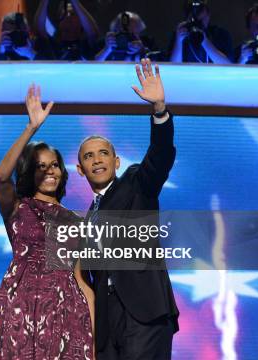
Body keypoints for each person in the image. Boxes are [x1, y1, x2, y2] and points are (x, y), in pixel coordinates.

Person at [77, 59, 179, 359]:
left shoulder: (136, 184)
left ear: (116, 161)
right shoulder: (87, 217)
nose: (97, 160)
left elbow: (159, 157)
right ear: (80, 168)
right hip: (109, 323)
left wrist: (159, 109)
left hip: (144, 313)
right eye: (89, 156)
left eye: (104, 153)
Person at [0, 84, 95, 359]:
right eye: (40, 166)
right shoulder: (17, 208)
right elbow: (2, 176)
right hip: (20, 305)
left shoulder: (74, 220)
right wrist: (30, 128)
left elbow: (80, 280)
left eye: (55, 164)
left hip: (65, 311)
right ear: (28, 171)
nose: (50, 170)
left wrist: (93, 344)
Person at [34, 0, 100, 60]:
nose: (68, 18)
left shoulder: (85, 45)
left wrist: (75, 2)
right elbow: (40, 30)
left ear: (81, 20)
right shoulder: (53, 45)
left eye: (72, 14)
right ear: (59, 22)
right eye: (64, 14)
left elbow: (92, 32)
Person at [169, 0, 232, 64]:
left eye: (199, 10)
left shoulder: (220, 34)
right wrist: (178, 42)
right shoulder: (180, 35)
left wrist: (204, 40)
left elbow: (228, 66)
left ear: (208, 14)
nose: (195, 15)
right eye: (191, 11)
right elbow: (172, 69)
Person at [95, 11, 161, 62]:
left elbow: (158, 63)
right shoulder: (106, 43)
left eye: (130, 33)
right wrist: (107, 49)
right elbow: (93, 66)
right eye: (121, 32)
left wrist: (142, 50)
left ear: (139, 32)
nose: (125, 36)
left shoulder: (147, 42)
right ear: (114, 30)